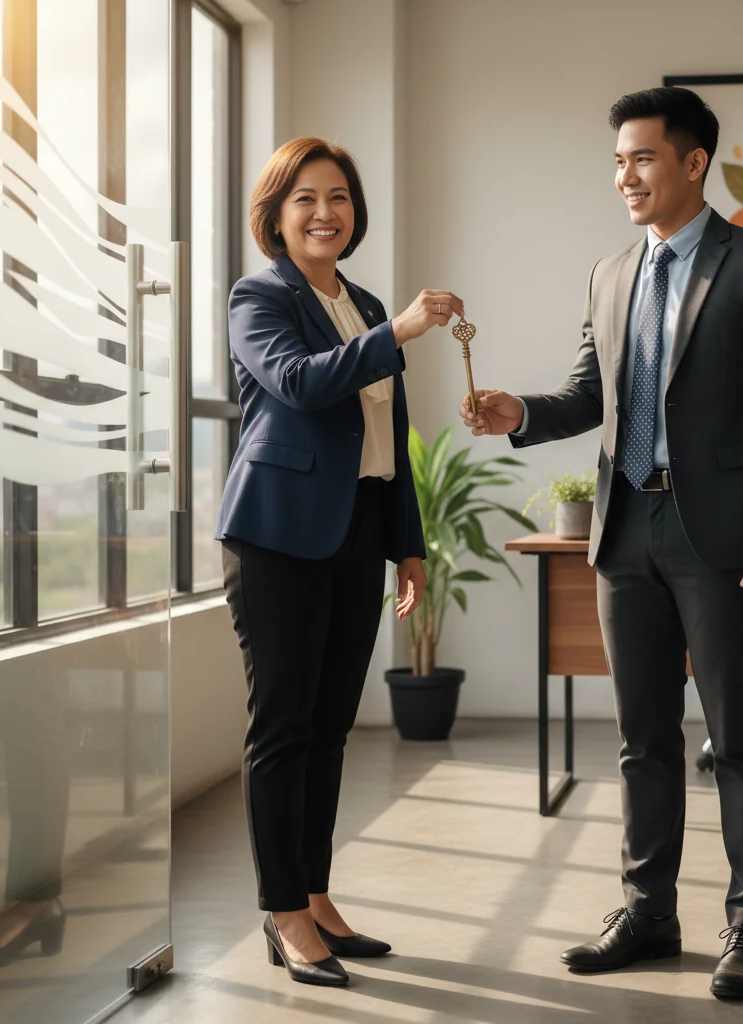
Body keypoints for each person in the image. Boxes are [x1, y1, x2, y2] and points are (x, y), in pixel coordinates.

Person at [460, 87, 743, 1000]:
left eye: (643, 158)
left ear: (694, 163)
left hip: (724, 536)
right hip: (625, 529)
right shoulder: (611, 272)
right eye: (618, 161)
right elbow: (591, 396)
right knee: (641, 739)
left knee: (739, 736)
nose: (625, 175)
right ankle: (648, 911)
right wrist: (519, 414)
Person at [216, 136, 463, 988]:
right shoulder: (259, 296)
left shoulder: (362, 303)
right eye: (306, 199)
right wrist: (397, 332)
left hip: (358, 530)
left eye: (340, 198)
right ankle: (282, 912)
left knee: (329, 731)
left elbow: (389, 434)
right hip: (276, 535)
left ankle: (316, 896)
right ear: (276, 216)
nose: (326, 213)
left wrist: (408, 545)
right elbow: (297, 382)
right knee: (283, 728)